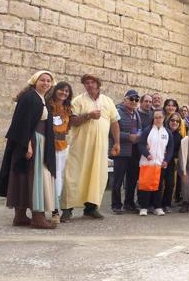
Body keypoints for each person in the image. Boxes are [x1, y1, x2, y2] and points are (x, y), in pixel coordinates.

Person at [0, 70, 57, 229]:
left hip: (40, 142)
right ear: (35, 81)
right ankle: (38, 217)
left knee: (25, 177)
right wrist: (27, 145)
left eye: (48, 81)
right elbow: (22, 124)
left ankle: (20, 216)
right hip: (33, 142)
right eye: (42, 80)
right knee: (36, 177)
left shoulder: (40, 98)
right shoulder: (30, 97)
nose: (45, 83)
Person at [59, 74, 120, 222]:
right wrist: (88, 116)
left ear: (98, 84)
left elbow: (114, 122)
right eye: (87, 83)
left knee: (96, 176)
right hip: (80, 147)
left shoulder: (108, 101)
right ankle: (67, 209)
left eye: (92, 82)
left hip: (100, 148)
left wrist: (117, 143)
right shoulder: (78, 101)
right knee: (73, 176)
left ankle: (91, 208)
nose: (90, 85)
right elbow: (72, 121)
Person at [110, 89, 142, 215]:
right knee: (118, 179)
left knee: (132, 179)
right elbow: (111, 131)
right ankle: (116, 204)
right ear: (125, 99)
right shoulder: (117, 112)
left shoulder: (136, 113)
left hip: (134, 151)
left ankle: (129, 203)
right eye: (131, 99)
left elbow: (138, 128)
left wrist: (139, 134)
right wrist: (128, 136)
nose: (134, 102)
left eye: (136, 100)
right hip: (121, 150)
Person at [46, 81, 73, 224]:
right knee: (48, 176)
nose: (64, 93)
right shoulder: (48, 106)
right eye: (61, 90)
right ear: (56, 90)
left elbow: (69, 126)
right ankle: (48, 207)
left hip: (62, 146)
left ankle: (55, 209)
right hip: (48, 145)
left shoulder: (68, 108)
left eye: (67, 91)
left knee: (58, 177)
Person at [137, 109, 173, 216]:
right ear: (153, 118)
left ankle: (157, 206)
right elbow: (141, 144)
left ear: (163, 118)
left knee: (158, 186)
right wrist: (146, 154)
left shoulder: (167, 133)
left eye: (160, 117)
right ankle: (144, 207)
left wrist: (166, 160)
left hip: (159, 164)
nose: (158, 119)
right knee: (145, 186)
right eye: (156, 117)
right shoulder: (147, 130)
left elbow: (170, 148)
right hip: (147, 163)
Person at [162, 112, 183, 213]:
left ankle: (166, 204)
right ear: (168, 121)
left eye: (177, 121)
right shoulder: (162, 132)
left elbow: (177, 151)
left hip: (170, 163)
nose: (175, 122)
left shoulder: (179, 137)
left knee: (170, 184)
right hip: (159, 161)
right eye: (172, 120)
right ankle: (156, 204)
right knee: (158, 184)